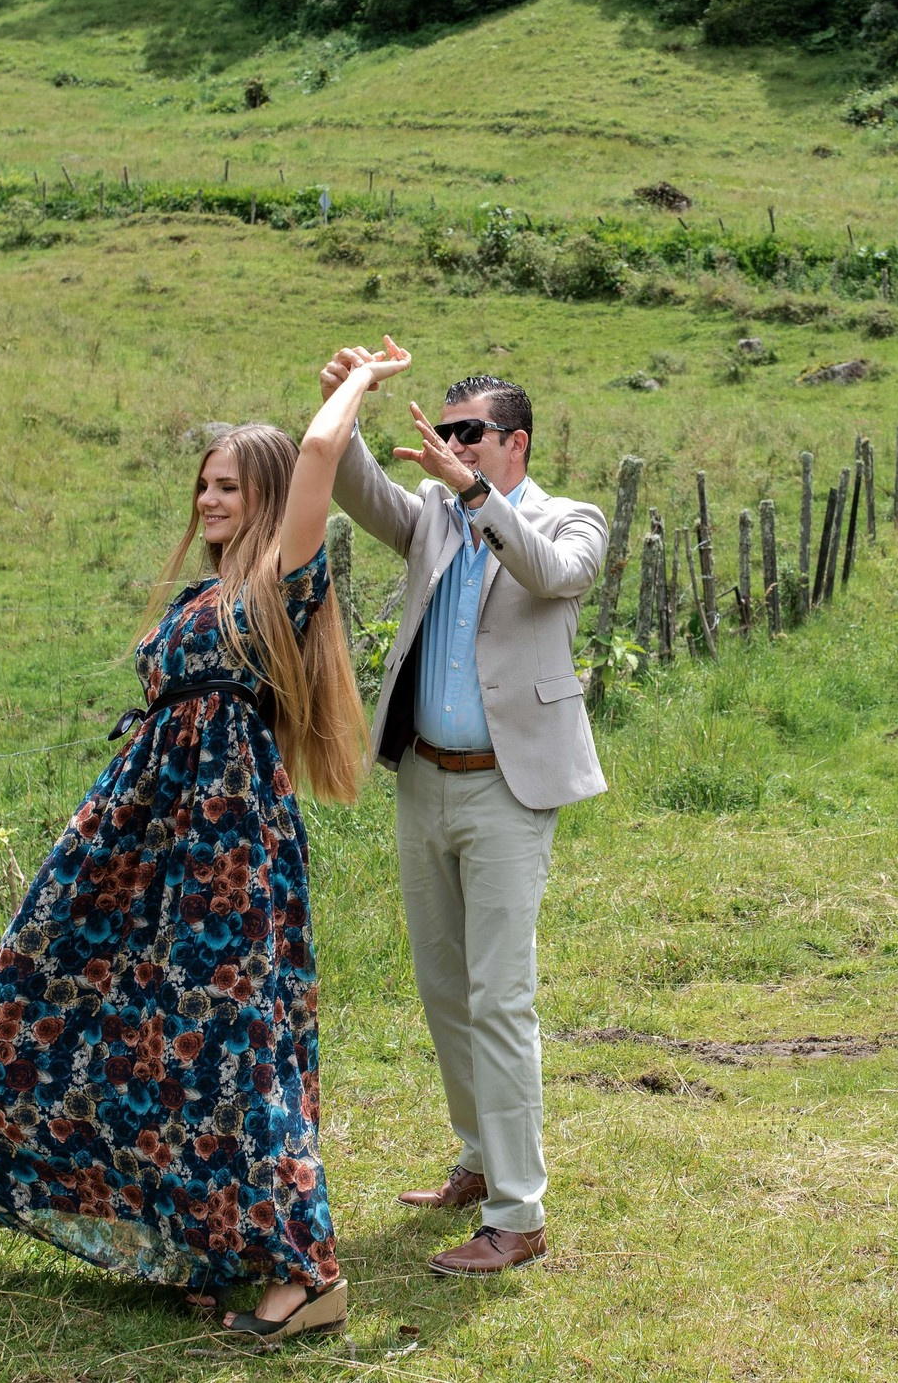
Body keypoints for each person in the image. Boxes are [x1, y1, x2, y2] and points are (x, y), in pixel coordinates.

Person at [0, 346, 407, 1345]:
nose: (208, 498)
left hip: (222, 852)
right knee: (95, 1010)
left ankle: (309, 1269)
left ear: (264, 497)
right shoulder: (195, 599)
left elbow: (322, 448)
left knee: (236, 1050)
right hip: (147, 842)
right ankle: (203, 1242)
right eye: (202, 483)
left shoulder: (277, 585)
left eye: (228, 484)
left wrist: (358, 380)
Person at [319, 338, 607, 1276]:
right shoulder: (436, 515)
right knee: (447, 991)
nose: (452, 446)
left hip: (507, 786)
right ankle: (480, 1161)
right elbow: (357, 490)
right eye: (445, 433)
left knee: (501, 995)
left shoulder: (571, 520)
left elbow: (550, 576)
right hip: (424, 778)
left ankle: (520, 1214)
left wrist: (475, 497)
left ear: (514, 443)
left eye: (470, 433)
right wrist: (348, 399)